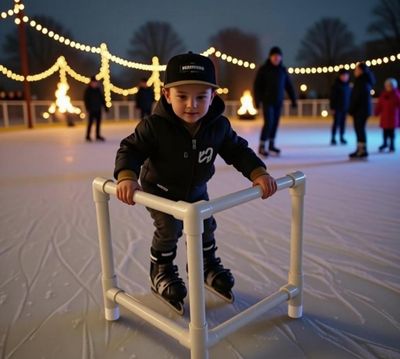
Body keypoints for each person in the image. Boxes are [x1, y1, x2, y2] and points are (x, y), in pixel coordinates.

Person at [114, 52, 277, 314]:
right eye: (182, 97)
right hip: (160, 191)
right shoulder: (154, 126)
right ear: (167, 95)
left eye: (201, 97)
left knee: (206, 226)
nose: (192, 105)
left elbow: (237, 150)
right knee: (169, 228)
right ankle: (162, 271)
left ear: (213, 96)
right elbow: (130, 150)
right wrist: (127, 176)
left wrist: (258, 172)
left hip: (196, 189)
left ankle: (205, 264)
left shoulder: (217, 126)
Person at [253, 46, 297, 157]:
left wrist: (293, 100)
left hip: (278, 102)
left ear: (281, 58)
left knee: (275, 123)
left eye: (278, 56)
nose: (276, 58)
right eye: (274, 56)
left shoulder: (282, 70)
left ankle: (271, 145)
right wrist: (257, 101)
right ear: (270, 57)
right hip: (267, 101)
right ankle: (262, 146)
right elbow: (257, 86)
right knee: (269, 123)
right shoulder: (263, 69)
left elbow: (289, 86)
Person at [348, 62, 375, 159]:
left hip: (360, 110)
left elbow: (357, 98)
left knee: (360, 130)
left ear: (360, 70)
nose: (355, 71)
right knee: (359, 130)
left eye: (356, 69)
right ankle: (360, 149)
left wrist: (351, 109)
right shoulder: (363, 81)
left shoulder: (361, 82)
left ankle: (362, 150)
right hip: (361, 110)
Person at [374, 78, 400, 153]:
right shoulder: (383, 94)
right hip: (385, 117)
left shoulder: (396, 95)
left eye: (390, 86)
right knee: (385, 132)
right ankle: (385, 143)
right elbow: (379, 105)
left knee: (391, 132)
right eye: (387, 86)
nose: (389, 87)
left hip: (393, 118)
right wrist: (377, 112)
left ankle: (392, 145)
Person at [329, 69, 351, 145]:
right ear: (340, 76)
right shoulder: (336, 85)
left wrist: (349, 107)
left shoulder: (348, 85)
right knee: (336, 123)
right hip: (337, 108)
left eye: (346, 76)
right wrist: (332, 107)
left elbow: (349, 97)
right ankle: (333, 137)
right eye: (344, 75)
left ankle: (342, 137)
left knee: (343, 123)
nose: (345, 77)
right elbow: (332, 97)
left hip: (345, 108)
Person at [84, 76, 107, 142]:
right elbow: (86, 100)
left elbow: (102, 99)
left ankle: (97, 135)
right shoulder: (88, 90)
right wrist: (88, 108)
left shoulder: (98, 90)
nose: (94, 84)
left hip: (98, 109)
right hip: (91, 109)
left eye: (95, 82)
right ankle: (88, 136)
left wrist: (105, 107)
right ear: (91, 83)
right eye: (93, 82)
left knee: (98, 123)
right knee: (90, 123)